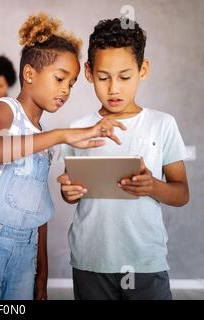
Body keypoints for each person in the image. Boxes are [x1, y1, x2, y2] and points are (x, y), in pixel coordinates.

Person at [0, 13, 126, 300]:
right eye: (59, 78)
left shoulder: (42, 138)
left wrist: (41, 275)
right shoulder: (5, 108)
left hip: (26, 249)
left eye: (70, 84)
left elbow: (36, 208)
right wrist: (62, 134)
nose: (65, 90)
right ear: (30, 74)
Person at [57, 18, 190, 300]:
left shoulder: (162, 124)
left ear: (143, 70)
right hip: (90, 260)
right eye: (104, 77)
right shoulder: (78, 128)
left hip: (145, 261)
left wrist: (153, 186)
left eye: (124, 77)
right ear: (89, 73)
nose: (114, 88)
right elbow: (72, 194)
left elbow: (181, 193)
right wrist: (68, 192)